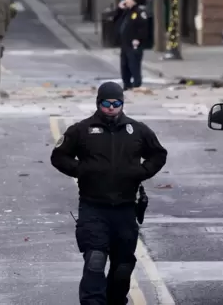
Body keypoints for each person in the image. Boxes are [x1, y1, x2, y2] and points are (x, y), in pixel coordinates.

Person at [51, 81, 167, 305]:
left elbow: (158, 154)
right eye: (106, 103)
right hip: (93, 207)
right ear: (98, 103)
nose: (111, 108)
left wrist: (142, 172)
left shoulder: (137, 130)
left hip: (125, 209)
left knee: (123, 266)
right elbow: (59, 156)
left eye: (117, 103)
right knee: (95, 259)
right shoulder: (81, 130)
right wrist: (81, 170)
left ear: (122, 104)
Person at [113, 0, 149, 91]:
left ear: (134, 0)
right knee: (124, 64)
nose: (126, 1)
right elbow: (115, 20)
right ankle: (126, 83)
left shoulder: (139, 12)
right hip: (125, 43)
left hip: (134, 44)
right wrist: (119, 9)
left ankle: (136, 83)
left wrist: (138, 38)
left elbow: (143, 27)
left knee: (133, 63)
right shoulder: (126, 11)